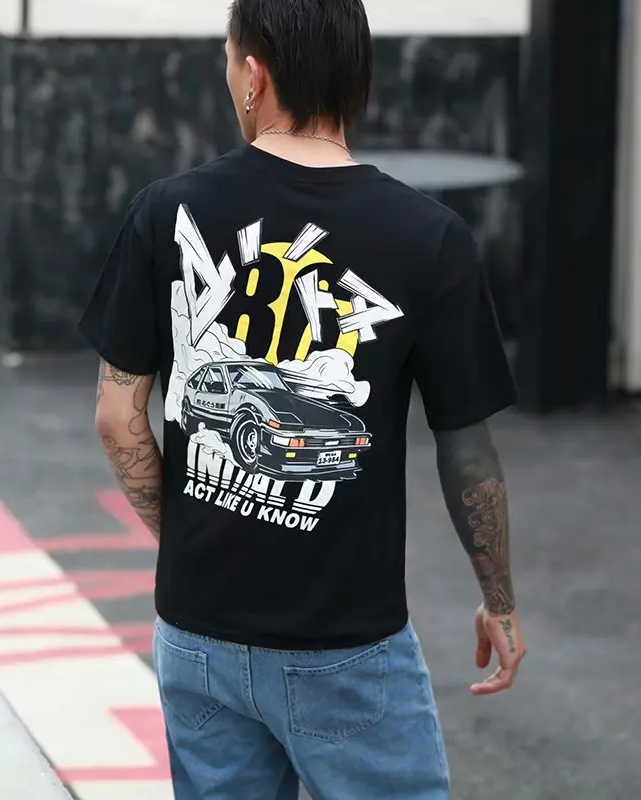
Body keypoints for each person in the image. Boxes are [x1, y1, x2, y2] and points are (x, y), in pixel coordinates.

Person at [78, 1, 527, 797]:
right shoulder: (429, 237)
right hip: (346, 642)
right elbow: (467, 450)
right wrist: (500, 601)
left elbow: (119, 418)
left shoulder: (164, 210)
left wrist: (186, 540)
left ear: (254, 74)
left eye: (229, 62)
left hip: (198, 632)